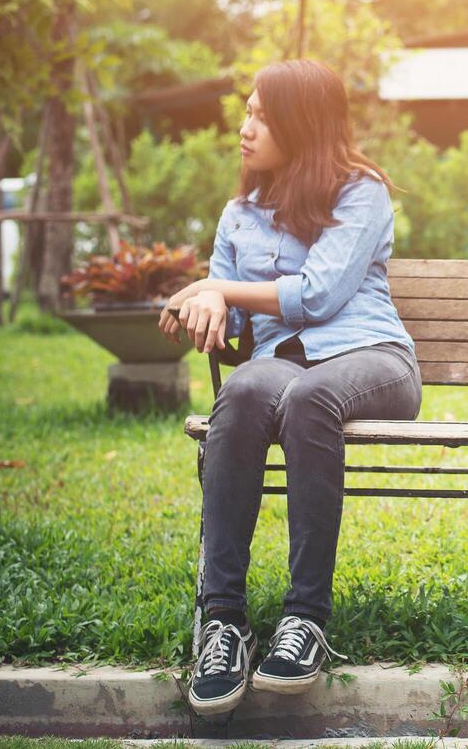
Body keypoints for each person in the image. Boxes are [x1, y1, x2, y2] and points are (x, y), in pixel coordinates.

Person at [160, 59, 420, 716]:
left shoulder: (360, 193)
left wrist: (217, 287)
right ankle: (223, 621)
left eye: (263, 117)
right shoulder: (239, 214)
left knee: (309, 397)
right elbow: (240, 325)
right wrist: (210, 312)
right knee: (245, 390)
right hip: (282, 363)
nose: (245, 129)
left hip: (372, 359)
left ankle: (305, 619)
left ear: (302, 125)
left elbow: (320, 294)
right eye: (246, 113)